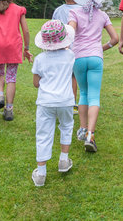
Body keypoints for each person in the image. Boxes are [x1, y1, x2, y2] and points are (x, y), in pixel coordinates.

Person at [67, 0, 118, 153]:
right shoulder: (103, 15)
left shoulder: (74, 13)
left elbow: (70, 32)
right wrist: (102, 48)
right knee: (94, 96)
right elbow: (115, 39)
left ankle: (82, 128)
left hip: (79, 57)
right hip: (96, 57)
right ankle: (91, 134)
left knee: (84, 93)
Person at [31, 20, 76, 187]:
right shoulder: (71, 56)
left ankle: (41, 173)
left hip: (45, 102)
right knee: (66, 126)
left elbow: (36, 83)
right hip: (66, 100)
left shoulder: (40, 59)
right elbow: (73, 76)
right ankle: (63, 160)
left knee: (43, 133)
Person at [52, 0, 82, 114]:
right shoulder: (81, 9)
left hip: (60, 46)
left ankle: (58, 100)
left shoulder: (58, 10)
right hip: (77, 47)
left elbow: (53, 27)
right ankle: (72, 103)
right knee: (73, 76)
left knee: (60, 75)